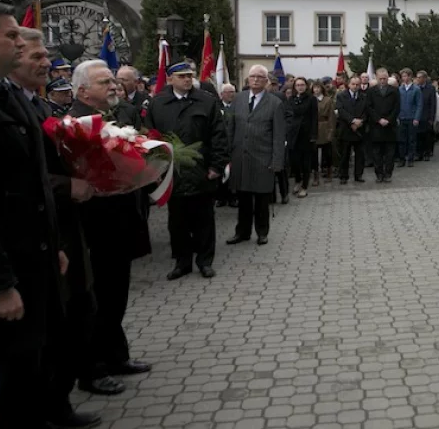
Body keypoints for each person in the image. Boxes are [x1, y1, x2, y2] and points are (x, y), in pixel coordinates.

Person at [0, 2, 63, 429]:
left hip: (31, 257)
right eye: (10, 35)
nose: (20, 40)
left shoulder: (6, 94)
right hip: (1, 274)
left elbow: (34, 184)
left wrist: (53, 246)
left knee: (26, 368)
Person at [9, 28, 100, 429]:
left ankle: (57, 403)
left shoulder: (40, 106)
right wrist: (70, 185)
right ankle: (46, 408)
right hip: (30, 239)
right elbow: (15, 178)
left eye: (47, 55)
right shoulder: (6, 105)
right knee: (43, 333)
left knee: (68, 319)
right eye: (37, 55)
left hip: (58, 232)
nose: (46, 62)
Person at [70, 60, 152, 396]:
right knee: (97, 299)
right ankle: (93, 369)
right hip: (96, 225)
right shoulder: (75, 123)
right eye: (105, 82)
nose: (114, 86)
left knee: (116, 294)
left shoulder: (113, 116)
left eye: (114, 81)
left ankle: (117, 356)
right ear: (83, 90)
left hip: (119, 221)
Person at [145, 62, 229, 280]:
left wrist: (216, 166)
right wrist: (155, 170)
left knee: (204, 220)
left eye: (189, 76)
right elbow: (150, 137)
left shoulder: (206, 101)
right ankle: (182, 262)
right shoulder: (158, 104)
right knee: (177, 221)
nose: (187, 79)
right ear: (170, 78)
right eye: (181, 76)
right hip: (172, 172)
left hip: (201, 170)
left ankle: (204, 261)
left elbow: (218, 136)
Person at [227, 65, 288, 246]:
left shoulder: (275, 103)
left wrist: (277, 161)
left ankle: (262, 232)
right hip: (241, 157)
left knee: (262, 200)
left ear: (266, 81)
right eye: (252, 76)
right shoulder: (238, 99)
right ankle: (242, 232)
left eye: (260, 77)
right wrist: (228, 155)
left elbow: (279, 135)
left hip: (263, 158)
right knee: (243, 198)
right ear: (248, 79)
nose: (255, 80)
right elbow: (230, 129)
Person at [285, 78, 318, 198]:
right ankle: (298, 180)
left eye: (302, 85)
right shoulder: (291, 99)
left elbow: (314, 118)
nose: (300, 87)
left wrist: (314, 135)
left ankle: (304, 186)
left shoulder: (311, 99)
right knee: (294, 162)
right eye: (297, 85)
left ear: (306, 86)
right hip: (293, 134)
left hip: (306, 134)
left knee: (306, 163)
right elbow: (287, 115)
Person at [367, 68, 400, 183]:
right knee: (377, 153)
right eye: (380, 79)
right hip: (376, 126)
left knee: (390, 153)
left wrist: (388, 120)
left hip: (390, 126)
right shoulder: (371, 91)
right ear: (376, 78)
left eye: (384, 79)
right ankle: (379, 174)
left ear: (388, 78)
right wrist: (378, 119)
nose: (382, 81)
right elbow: (369, 107)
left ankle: (388, 173)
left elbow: (397, 108)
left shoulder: (394, 91)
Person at [336, 76, 368, 184]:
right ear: (349, 84)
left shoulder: (364, 96)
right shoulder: (341, 96)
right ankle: (343, 176)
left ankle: (358, 175)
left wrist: (360, 122)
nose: (355, 86)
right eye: (353, 84)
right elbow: (341, 110)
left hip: (360, 129)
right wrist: (352, 121)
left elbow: (366, 112)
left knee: (360, 155)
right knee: (345, 154)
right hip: (346, 129)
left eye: (357, 84)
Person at [397, 68, 422, 168]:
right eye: (403, 76)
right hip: (402, 117)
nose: (404, 78)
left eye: (406, 76)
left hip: (412, 117)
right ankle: (402, 159)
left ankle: (410, 159)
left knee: (411, 139)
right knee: (401, 140)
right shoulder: (400, 89)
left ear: (410, 76)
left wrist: (417, 118)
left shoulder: (416, 89)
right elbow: (397, 104)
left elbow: (419, 105)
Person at [312, 82, 336, 184]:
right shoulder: (311, 99)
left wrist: (331, 131)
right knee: (314, 153)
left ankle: (329, 172)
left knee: (328, 152)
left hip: (325, 127)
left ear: (321, 89)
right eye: (314, 88)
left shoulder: (328, 100)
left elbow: (331, 117)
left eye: (318, 88)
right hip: (314, 127)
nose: (316, 90)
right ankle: (315, 176)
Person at [416, 71, 437, 161]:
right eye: (417, 77)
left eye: (419, 77)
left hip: (427, 116)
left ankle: (427, 153)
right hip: (418, 116)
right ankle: (419, 153)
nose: (418, 79)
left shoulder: (430, 88)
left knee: (427, 136)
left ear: (424, 78)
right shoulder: (416, 88)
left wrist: (432, 117)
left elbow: (433, 104)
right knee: (418, 136)